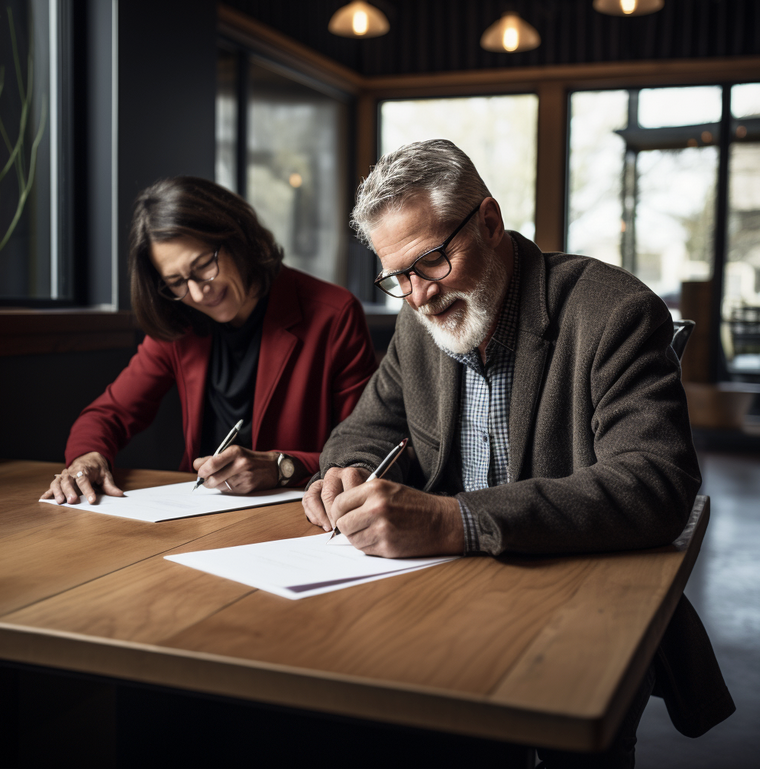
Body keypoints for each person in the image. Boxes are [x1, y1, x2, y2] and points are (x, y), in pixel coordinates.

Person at [302, 140, 734, 766]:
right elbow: (364, 428)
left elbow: (656, 485)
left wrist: (457, 520)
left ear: (489, 221)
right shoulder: (418, 325)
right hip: (445, 598)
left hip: (579, 597)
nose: (418, 296)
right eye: (397, 277)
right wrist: (350, 470)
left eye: (429, 263)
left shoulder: (613, 310)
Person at [43, 176, 377, 505]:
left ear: (237, 237)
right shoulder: (180, 326)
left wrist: (280, 467)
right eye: (176, 282)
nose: (198, 292)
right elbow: (110, 413)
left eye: (204, 265)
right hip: (198, 511)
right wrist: (87, 459)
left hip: (299, 512)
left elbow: (364, 447)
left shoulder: (333, 314)